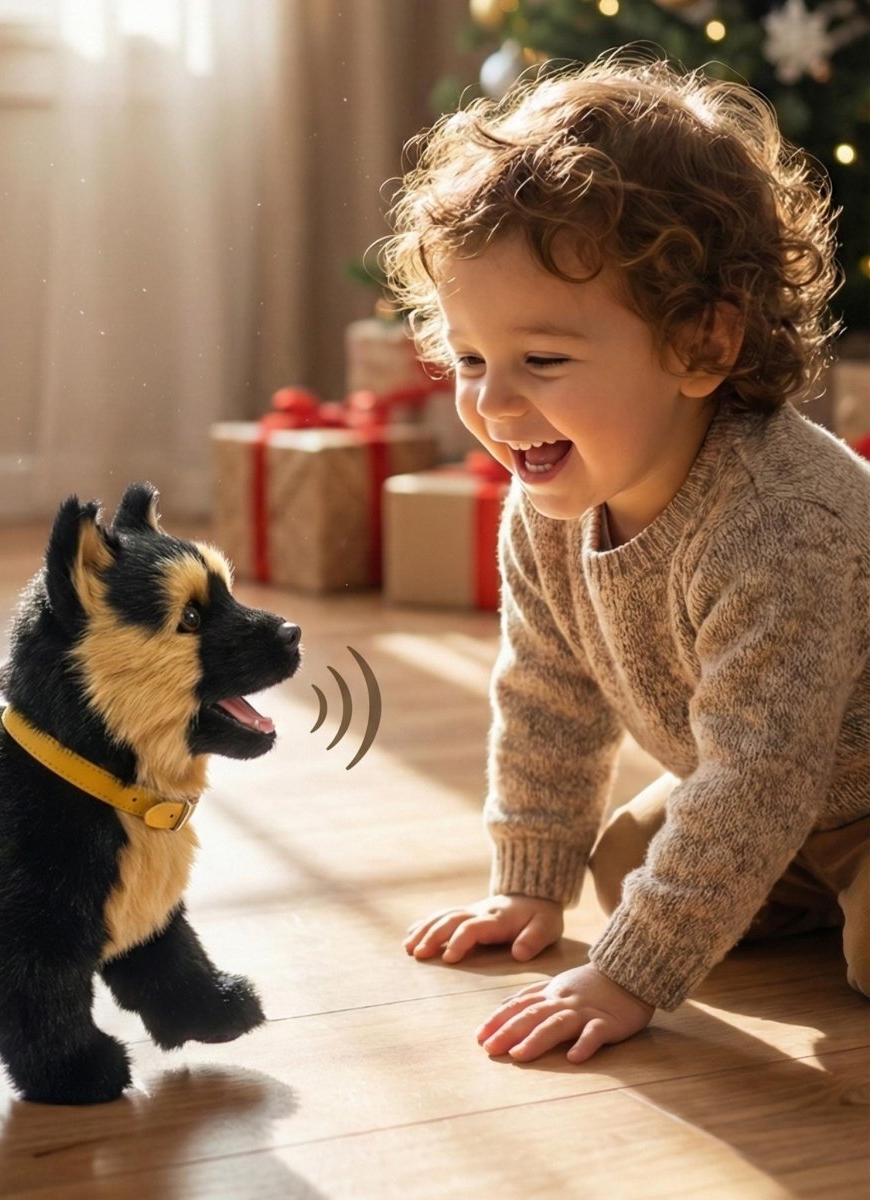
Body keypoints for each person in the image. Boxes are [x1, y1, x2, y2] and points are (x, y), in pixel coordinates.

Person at [386, 51, 870, 1064]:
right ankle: (804, 894)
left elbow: (760, 773)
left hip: (837, 787)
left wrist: (631, 976)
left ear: (703, 346)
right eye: (471, 359)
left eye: (544, 361)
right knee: (622, 869)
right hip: (778, 794)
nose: (494, 404)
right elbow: (549, 692)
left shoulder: (782, 519)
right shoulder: (551, 501)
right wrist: (529, 878)